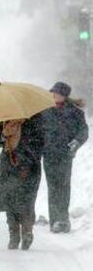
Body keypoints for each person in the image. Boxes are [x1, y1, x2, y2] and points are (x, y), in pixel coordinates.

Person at [0, 114, 44, 250]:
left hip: (30, 166)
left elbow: (40, 142)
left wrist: (26, 160)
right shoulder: (3, 119)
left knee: (27, 200)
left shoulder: (34, 118)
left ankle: (27, 231)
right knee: (9, 201)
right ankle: (13, 234)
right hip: (8, 164)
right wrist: (4, 136)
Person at [42, 82, 89, 233]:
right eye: (53, 93)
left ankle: (63, 219)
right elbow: (38, 132)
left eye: (57, 93)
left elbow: (83, 132)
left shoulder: (75, 113)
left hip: (65, 155)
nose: (54, 95)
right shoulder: (45, 111)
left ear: (64, 96)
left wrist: (76, 143)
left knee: (63, 187)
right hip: (49, 155)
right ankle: (55, 220)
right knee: (53, 188)